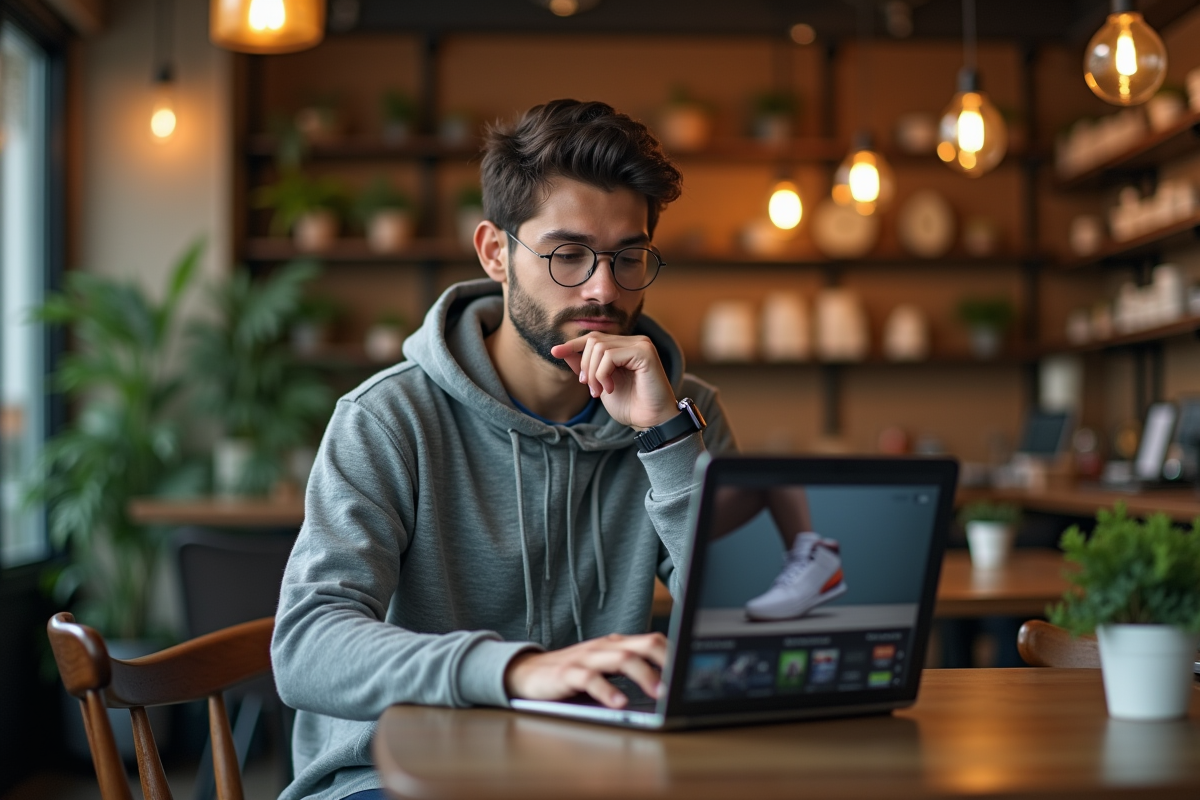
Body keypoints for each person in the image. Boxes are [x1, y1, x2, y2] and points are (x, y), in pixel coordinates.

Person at [270, 99, 737, 800]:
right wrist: (515, 671)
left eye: (628, 256)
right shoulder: (388, 417)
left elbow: (755, 623)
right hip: (392, 778)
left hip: (597, 772)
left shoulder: (682, 411)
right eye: (568, 255)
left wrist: (665, 437)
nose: (603, 289)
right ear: (496, 252)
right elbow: (306, 646)